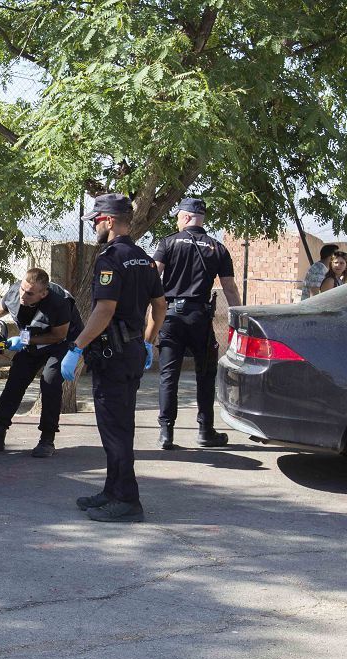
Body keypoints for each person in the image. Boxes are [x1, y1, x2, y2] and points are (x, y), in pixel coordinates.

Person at [59, 193, 166, 523]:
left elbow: (104, 310)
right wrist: (148, 342)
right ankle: (111, 490)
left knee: (116, 430)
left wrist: (76, 347)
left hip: (113, 355)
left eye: (95, 220)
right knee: (117, 426)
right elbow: (160, 305)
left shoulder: (111, 259)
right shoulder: (143, 258)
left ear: (107, 220)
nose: (93, 226)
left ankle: (128, 500)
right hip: (132, 351)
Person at [152, 197, 241, 450]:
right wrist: (240, 318)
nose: (177, 220)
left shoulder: (168, 242)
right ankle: (205, 431)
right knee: (205, 373)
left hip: (170, 317)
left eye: (179, 215)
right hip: (199, 319)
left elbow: (153, 274)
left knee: (168, 375)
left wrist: (149, 309)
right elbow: (229, 288)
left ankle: (165, 433)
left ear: (187, 217)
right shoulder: (217, 247)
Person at [0, 268, 83, 458]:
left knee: (50, 381)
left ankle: (47, 439)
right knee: (16, 378)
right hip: (32, 337)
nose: (23, 295)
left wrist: (23, 340)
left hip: (61, 343)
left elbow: (58, 335)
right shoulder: (15, 292)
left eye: (29, 293)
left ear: (43, 293)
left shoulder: (58, 302)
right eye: (23, 289)